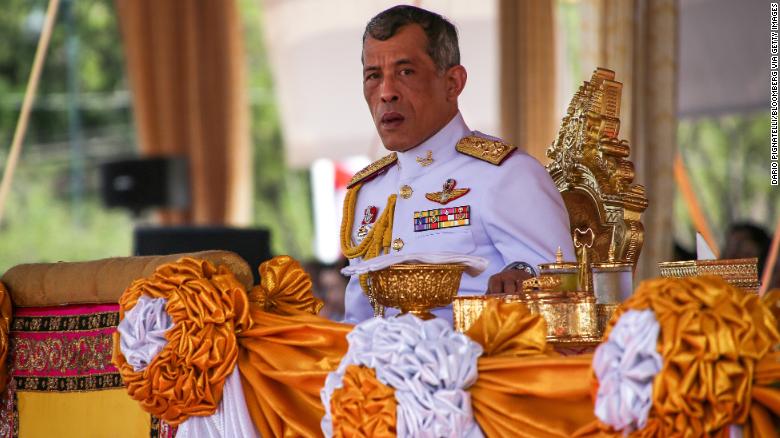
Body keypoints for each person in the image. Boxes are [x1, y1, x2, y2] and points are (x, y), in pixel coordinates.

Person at [340, 5, 575, 322]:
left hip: (477, 366)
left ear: (453, 83)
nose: (386, 93)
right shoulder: (368, 191)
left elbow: (565, 291)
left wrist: (525, 278)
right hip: (373, 366)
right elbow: (356, 320)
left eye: (405, 72)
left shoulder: (506, 174)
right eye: (373, 76)